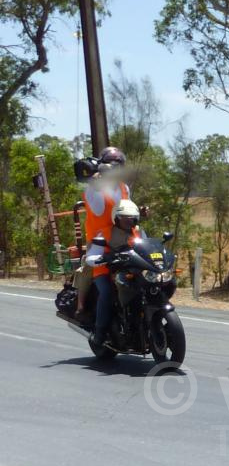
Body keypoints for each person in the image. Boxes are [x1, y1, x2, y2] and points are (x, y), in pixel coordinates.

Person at [78, 146, 131, 346]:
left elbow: (128, 212)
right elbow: (97, 204)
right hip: (101, 245)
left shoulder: (125, 188)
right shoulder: (94, 190)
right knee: (107, 290)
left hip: (125, 243)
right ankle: (99, 333)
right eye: (113, 166)